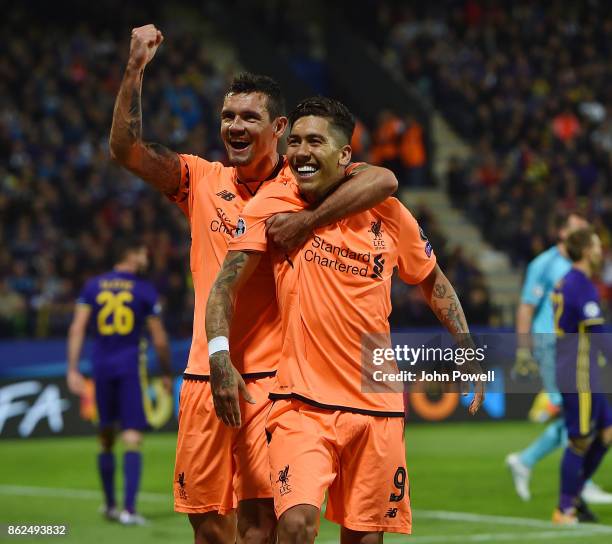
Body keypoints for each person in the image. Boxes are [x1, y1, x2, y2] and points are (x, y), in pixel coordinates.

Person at [109, 24, 398, 544]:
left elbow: (382, 178)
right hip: (204, 373)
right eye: (227, 117)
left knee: (262, 526)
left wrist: (308, 221)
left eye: (249, 117)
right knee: (210, 531)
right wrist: (134, 70)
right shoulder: (200, 179)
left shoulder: (304, 184)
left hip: (271, 382)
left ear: (279, 128)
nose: (235, 126)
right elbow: (127, 151)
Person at [205, 96, 483, 543]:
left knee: (366, 537)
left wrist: (468, 350)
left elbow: (433, 282)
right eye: (294, 141)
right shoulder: (274, 201)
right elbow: (225, 285)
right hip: (301, 402)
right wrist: (219, 355)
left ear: (345, 156)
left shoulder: (388, 213)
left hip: (377, 400)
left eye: (315, 141)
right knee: (295, 524)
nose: (300, 152)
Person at [506, 211, 612, 506]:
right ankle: (579, 486)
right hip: (552, 346)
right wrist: (524, 349)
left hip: (576, 349)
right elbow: (526, 307)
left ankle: (526, 461)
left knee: (576, 414)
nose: (585, 233)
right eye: (579, 228)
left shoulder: (579, 268)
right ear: (564, 233)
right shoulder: (544, 264)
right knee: (578, 414)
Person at [66, 239, 172, 525]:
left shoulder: (92, 286)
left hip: (100, 366)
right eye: (143, 252)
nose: (147, 258)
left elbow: (77, 327)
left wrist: (73, 369)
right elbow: (159, 340)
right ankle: (129, 510)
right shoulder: (144, 290)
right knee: (132, 436)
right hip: (128, 368)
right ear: (132, 254)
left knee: (105, 436)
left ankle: (111, 505)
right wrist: (166, 371)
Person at [552, 228, 612, 524]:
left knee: (607, 432)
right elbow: (600, 337)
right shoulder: (581, 285)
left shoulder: (571, 282)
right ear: (588, 250)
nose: (601, 249)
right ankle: (564, 509)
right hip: (579, 374)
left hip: (585, 371)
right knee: (580, 440)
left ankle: (574, 496)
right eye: (597, 244)